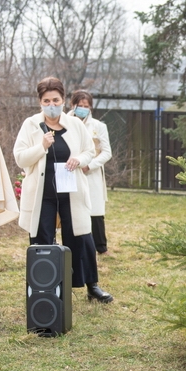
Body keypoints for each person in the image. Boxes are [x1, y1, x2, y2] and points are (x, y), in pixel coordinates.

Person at [14, 77, 113, 304]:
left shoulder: (75, 125)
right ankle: (44, 290)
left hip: (71, 191)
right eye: (46, 100)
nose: (52, 104)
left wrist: (78, 159)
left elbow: (89, 151)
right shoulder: (30, 125)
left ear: (62, 100)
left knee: (81, 236)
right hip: (42, 194)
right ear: (40, 102)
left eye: (56, 100)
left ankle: (92, 286)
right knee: (42, 241)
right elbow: (20, 158)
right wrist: (42, 146)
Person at [70, 90, 112, 255]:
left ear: (91, 108)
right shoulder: (64, 122)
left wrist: (90, 165)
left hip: (91, 173)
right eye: (79, 106)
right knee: (73, 209)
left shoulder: (99, 127)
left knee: (95, 211)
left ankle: (100, 247)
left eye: (85, 106)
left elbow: (106, 152)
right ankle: (75, 246)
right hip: (71, 171)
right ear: (72, 105)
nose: (82, 109)